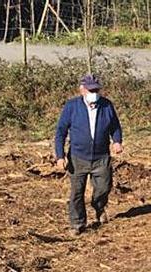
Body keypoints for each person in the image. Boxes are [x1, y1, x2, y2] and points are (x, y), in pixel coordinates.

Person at [55, 74, 123, 235]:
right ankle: (77, 223)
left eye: (96, 89)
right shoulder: (72, 107)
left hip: (101, 157)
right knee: (76, 193)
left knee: (103, 188)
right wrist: (60, 155)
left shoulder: (106, 106)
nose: (94, 92)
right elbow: (61, 132)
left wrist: (117, 141)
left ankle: (99, 208)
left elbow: (115, 126)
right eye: (91, 90)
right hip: (78, 157)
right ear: (82, 90)